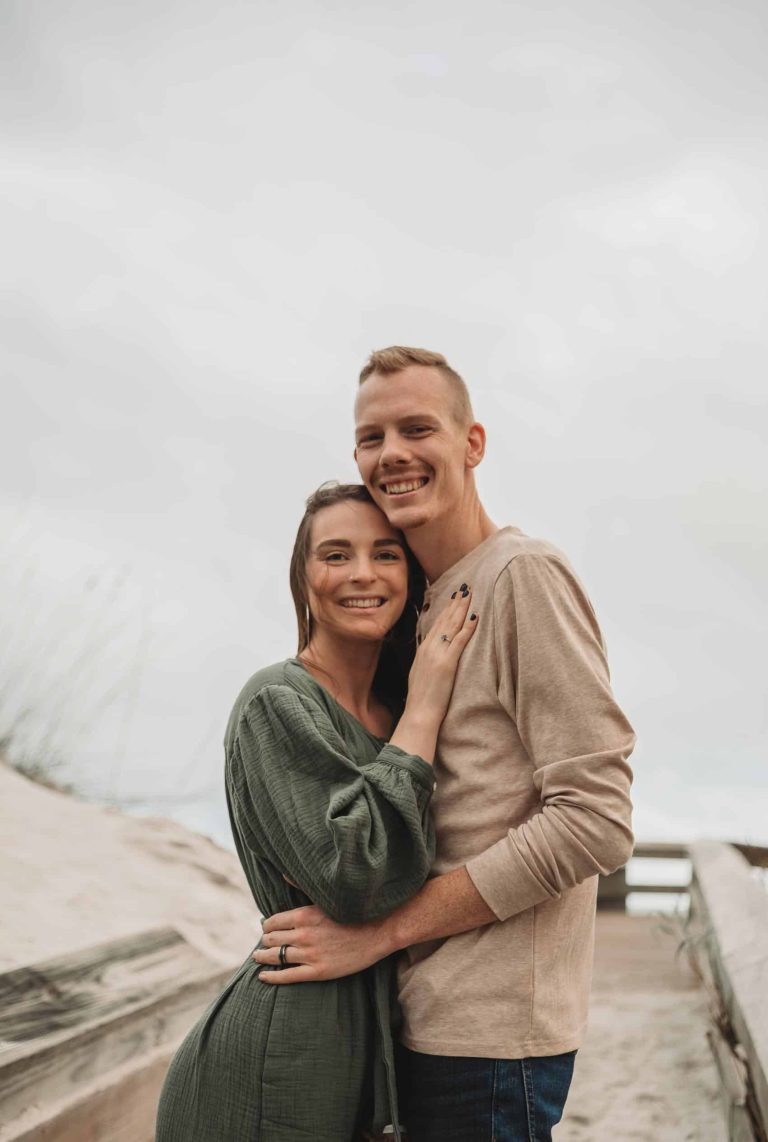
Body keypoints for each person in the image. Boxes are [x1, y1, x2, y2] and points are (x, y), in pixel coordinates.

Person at [253, 348, 637, 1141]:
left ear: (472, 443)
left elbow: (596, 820)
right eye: (372, 438)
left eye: (417, 428)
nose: (392, 453)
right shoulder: (423, 603)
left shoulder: (523, 577)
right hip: (423, 1020)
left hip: (490, 1044)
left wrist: (379, 934)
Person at [156, 481, 478, 1142]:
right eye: (336, 555)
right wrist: (425, 707)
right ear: (303, 578)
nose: (362, 573)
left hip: (375, 1046)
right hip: (281, 1054)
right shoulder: (277, 701)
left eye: (385, 554)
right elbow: (357, 878)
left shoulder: (392, 708)